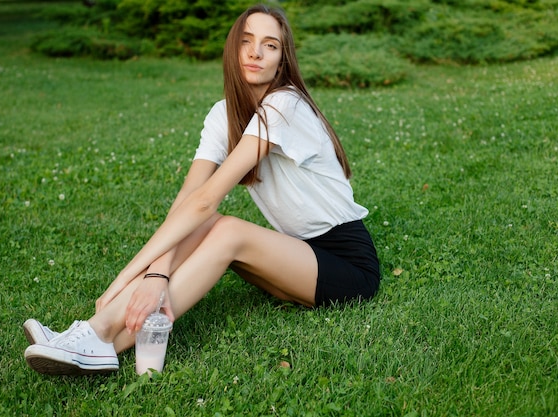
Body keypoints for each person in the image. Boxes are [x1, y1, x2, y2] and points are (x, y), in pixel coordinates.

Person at [23, 3, 380, 376]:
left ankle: (100, 337)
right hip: (297, 256)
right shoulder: (223, 114)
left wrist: (137, 279)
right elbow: (189, 199)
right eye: (247, 41)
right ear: (234, 49)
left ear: (282, 60)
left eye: (270, 45)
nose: (256, 52)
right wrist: (148, 274)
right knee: (205, 224)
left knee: (226, 229)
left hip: (346, 266)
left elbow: (209, 199)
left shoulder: (283, 106)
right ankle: (90, 336)